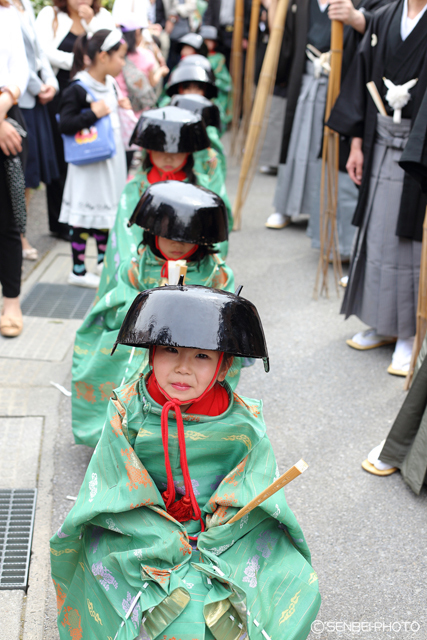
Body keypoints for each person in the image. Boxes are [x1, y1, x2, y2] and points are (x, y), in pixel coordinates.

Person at [51, 284, 321, 639]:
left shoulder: (243, 423)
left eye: (202, 357)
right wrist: (169, 539)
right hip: (138, 529)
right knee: (173, 608)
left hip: (224, 533)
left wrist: (215, 535)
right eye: (171, 350)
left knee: (297, 587)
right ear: (150, 354)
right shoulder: (126, 411)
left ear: (224, 367)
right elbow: (112, 489)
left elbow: (252, 493)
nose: (183, 368)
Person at [71, 181, 240, 446]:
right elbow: (115, 306)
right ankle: (113, 434)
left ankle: (189, 438)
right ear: (152, 232)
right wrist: (149, 306)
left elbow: (225, 321)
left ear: (202, 239)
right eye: (168, 235)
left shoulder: (215, 273)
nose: (176, 244)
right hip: (143, 336)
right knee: (112, 355)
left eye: (187, 238)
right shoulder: (136, 267)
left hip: (198, 342)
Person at [328, 0, 427, 375]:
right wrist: (355, 144)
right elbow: (362, 77)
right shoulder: (385, 16)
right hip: (380, 141)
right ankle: (381, 322)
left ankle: (410, 331)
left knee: (409, 242)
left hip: (420, 152)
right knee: (378, 236)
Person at [265, 0, 380, 264]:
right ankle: (286, 206)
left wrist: (357, 19)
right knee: (299, 146)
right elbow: (286, 47)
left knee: (333, 156)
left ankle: (334, 233)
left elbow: (376, 32)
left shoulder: (361, 4)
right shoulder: (300, 4)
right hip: (307, 83)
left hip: (342, 85)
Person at [98, 104, 231, 300]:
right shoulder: (135, 189)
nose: (168, 156)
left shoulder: (200, 190)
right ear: (149, 150)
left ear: (188, 151)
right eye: (160, 149)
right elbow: (126, 236)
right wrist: (139, 262)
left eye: (177, 151)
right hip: (147, 259)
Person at [35, 0, 115, 241]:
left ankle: (88, 221)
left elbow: (110, 49)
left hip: (91, 93)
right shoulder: (51, 14)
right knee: (60, 155)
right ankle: (61, 223)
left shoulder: (101, 18)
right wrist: (79, 63)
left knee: (90, 151)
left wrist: (91, 22)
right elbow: (43, 51)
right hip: (58, 91)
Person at [57, 29, 128, 288]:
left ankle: (99, 262)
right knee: (84, 213)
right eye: (119, 57)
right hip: (88, 164)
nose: (123, 63)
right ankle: (77, 270)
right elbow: (65, 124)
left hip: (109, 160)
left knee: (104, 213)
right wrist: (92, 114)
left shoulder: (109, 83)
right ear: (102, 56)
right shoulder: (78, 87)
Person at [11, 0, 59, 263]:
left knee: (28, 175)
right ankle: (16, 235)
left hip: (32, 98)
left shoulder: (25, 4)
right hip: (16, 100)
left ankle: (19, 234)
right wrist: (37, 86)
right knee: (18, 172)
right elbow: (12, 59)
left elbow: (38, 51)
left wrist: (49, 81)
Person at [0, 0, 29, 338]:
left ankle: (11, 301)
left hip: (8, 112)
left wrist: (2, 111)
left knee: (8, 218)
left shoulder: (9, 14)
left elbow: (19, 70)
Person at [199, 24, 233, 131]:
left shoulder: (219, 58)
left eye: (210, 41)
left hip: (214, 94)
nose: (207, 43)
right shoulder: (198, 57)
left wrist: (214, 81)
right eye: (205, 40)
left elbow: (226, 83)